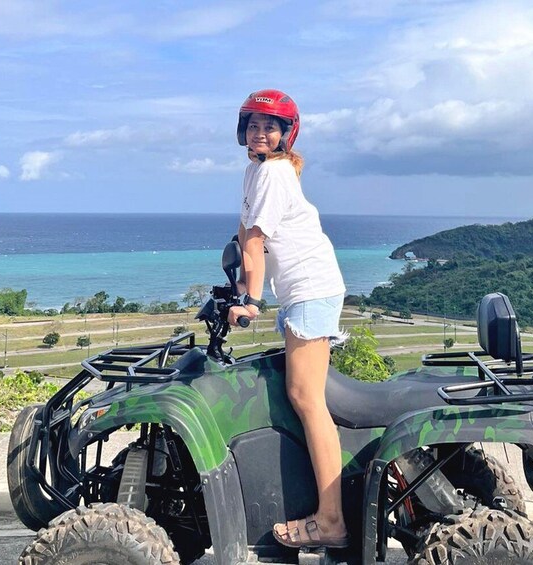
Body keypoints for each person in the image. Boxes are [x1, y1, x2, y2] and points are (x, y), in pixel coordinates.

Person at [227, 89, 349, 549]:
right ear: (244, 131)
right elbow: (244, 236)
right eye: (255, 124)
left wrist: (252, 300)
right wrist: (239, 286)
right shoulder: (255, 172)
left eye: (270, 126)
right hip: (302, 292)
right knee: (297, 393)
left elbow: (257, 243)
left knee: (306, 398)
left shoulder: (275, 173)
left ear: (285, 134)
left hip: (310, 290)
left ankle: (332, 520)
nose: (261, 132)